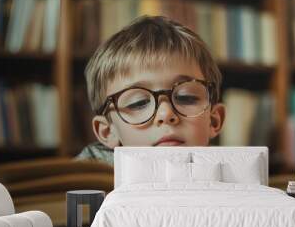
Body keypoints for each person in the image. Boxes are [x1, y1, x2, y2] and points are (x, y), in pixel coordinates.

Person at [76, 15, 225, 165]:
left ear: (213, 120)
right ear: (108, 132)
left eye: (186, 97)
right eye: (138, 103)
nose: (166, 114)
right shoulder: (82, 184)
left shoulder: (238, 177)